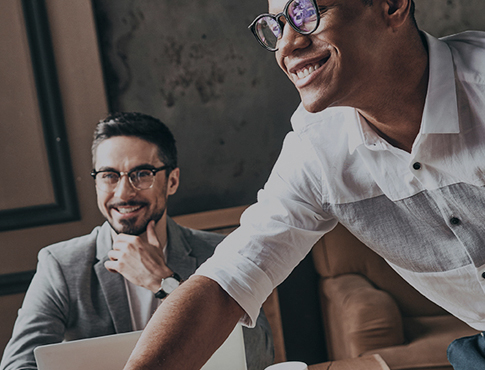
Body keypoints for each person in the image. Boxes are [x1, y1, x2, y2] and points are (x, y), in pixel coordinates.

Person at [121, 0, 485, 369]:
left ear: (391, 6)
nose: (286, 45)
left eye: (308, 13)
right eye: (277, 26)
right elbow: (227, 282)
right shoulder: (317, 149)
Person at [0, 112, 274, 370]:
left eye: (142, 174)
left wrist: (164, 283)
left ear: (172, 181)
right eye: (109, 176)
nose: (123, 192)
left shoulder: (219, 252)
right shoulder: (60, 265)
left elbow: (258, 355)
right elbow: (16, 365)